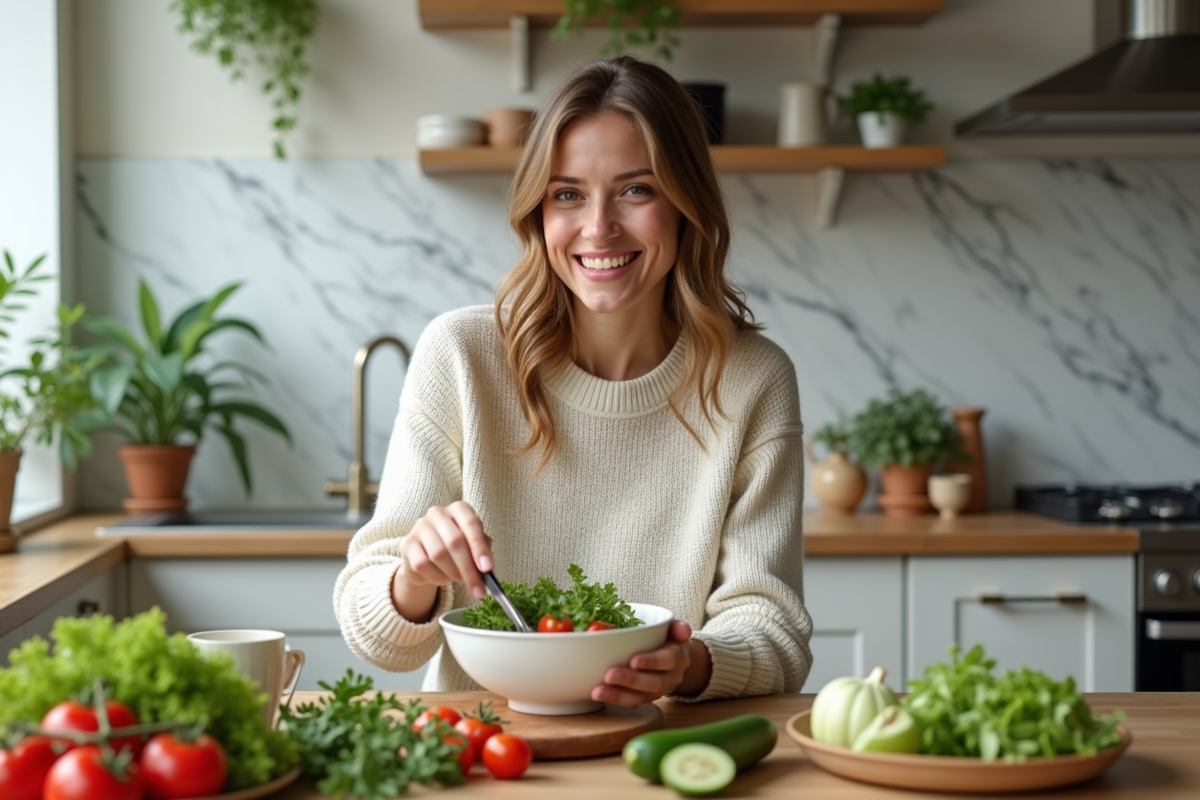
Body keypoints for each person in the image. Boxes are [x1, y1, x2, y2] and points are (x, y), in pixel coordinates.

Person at [334, 56, 812, 706]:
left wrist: (690, 664)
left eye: (636, 190)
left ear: (684, 203)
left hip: (661, 751)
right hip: (486, 755)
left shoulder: (752, 380)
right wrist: (413, 576)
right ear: (539, 211)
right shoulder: (463, 357)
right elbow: (376, 637)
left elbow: (775, 631)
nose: (598, 227)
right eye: (567, 194)